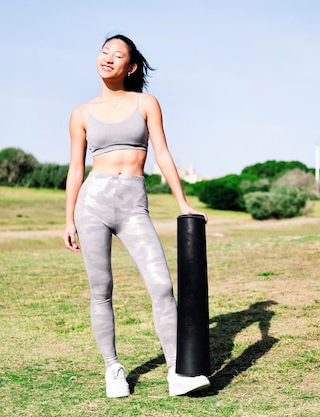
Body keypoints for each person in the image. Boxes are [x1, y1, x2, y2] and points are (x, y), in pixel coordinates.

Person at [63, 33, 210, 398]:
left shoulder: (146, 103)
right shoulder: (81, 113)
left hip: (133, 204)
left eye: (118, 55)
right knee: (101, 289)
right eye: (104, 52)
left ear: (130, 67)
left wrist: (183, 203)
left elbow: (161, 153)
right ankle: (113, 368)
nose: (108, 58)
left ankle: (177, 371)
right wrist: (68, 219)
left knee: (161, 284)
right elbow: (75, 170)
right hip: (92, 203)